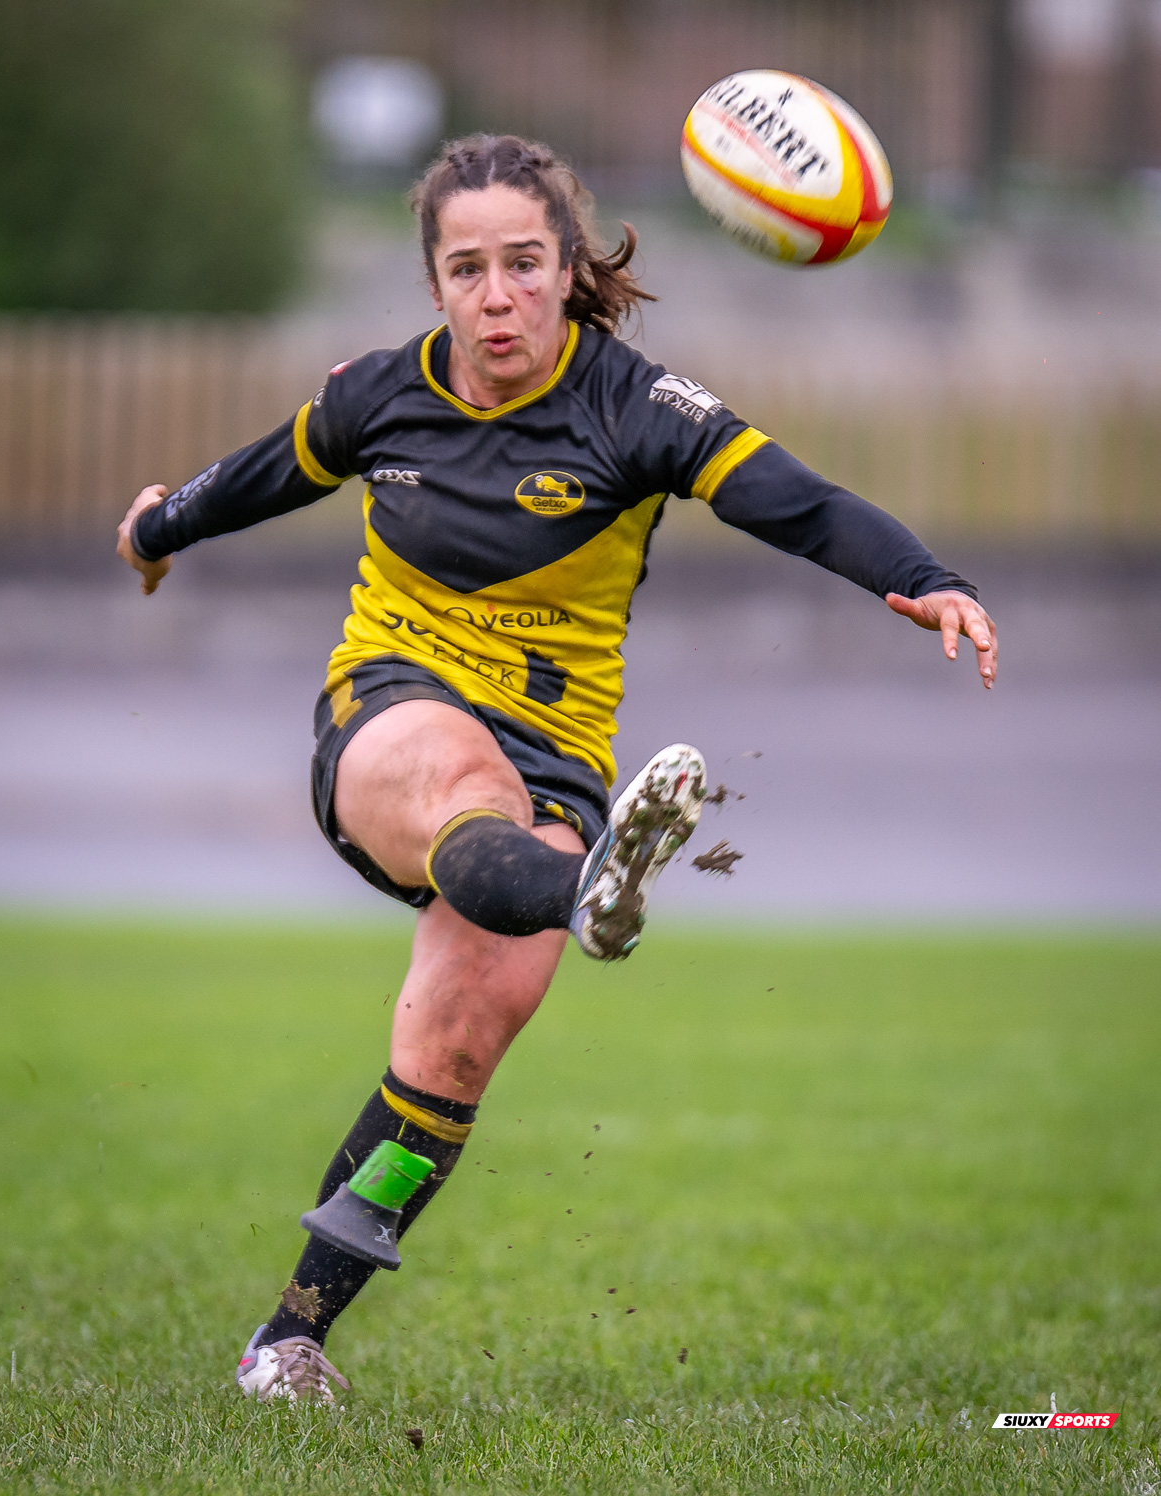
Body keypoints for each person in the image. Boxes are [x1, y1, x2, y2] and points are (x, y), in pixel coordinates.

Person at [116, 132, 997, 1404]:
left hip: (558, 762)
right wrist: (154, 528)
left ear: (568, 268)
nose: (497, 296)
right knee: (463, 785)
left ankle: (286, 1339)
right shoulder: (379, 395)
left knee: (447, 1059)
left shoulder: (634, 407)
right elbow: (257, 478)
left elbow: (793, 500)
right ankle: (585, 891)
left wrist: (921, 577)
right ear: (434, 283)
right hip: (390, 710)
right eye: (466, 269)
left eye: (523, 264)